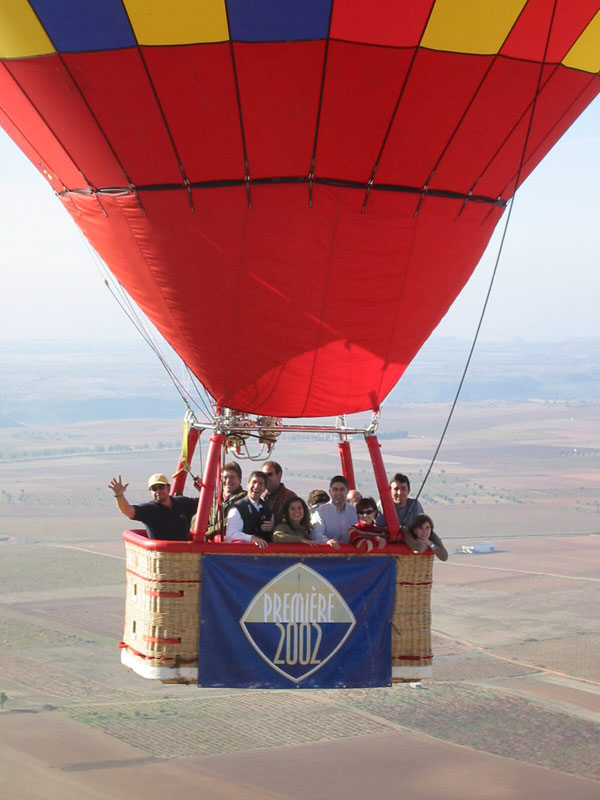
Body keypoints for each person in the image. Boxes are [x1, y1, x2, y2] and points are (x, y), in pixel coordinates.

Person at [109, 473, 197, 541]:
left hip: (185, 556)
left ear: (168, 488)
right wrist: (119, 495)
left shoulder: (183, 503)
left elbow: (205, 504)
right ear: (151, 492)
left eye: (161, 487)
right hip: (162, 558)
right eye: (154, 489)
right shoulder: (149, 509)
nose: (158, 491)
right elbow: (127, 510)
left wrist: (202, 489)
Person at [225, 471, 273, 548]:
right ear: (248, 485)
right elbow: (231, 534)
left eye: (261, 484)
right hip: (242, 556)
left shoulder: (267, 509)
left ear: (264, 488)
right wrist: (251, 538)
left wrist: (272, 528)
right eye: (254, 482)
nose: (256, 486)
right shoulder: (237, 509)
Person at [310, 475, 358, 548]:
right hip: (329, 555)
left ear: (347, 491)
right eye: (335, 489)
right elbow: (316, 534)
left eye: (342, 489)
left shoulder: (355, 512)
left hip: (354, 556)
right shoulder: (320, 512)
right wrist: (327, 541)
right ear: (330, 492)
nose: (338, 493)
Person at [205, 461, 246, 540]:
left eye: (232, 477)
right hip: (213, 543)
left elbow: (229, 521)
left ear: (240, 480)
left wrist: (207, 532)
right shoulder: (214, 499)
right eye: (225, 477)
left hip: (232, 544)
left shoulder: (244, 499)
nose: (228, 481)